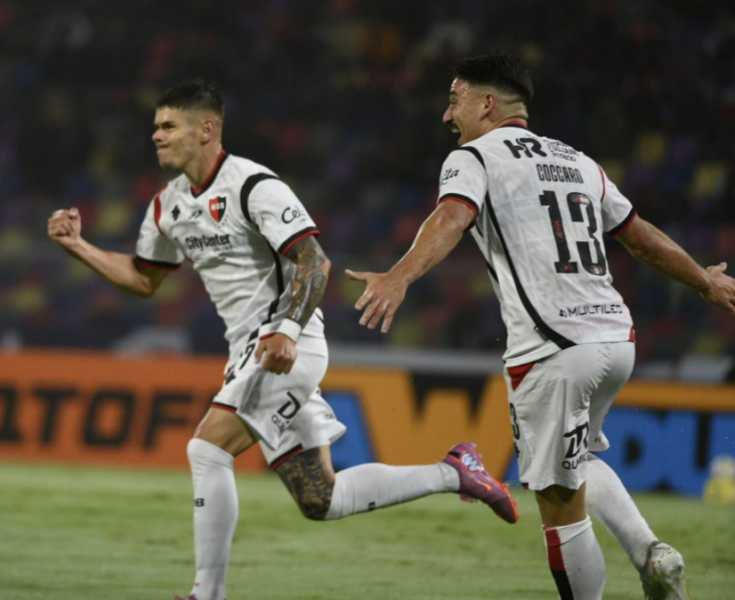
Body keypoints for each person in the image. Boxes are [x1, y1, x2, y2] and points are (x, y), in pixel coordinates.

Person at [48, 78, 518, 600]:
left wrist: (285, 328)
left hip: (287, 346)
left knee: (206, 450)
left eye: (168, 126)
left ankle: (208, 594)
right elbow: (143, 277)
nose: (156, 136)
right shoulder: (167, 207)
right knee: (321, 498)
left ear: (206, 129)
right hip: (250, 353)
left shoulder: (253, 185)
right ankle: (455, 472)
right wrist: (80, 247)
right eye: (155, 126)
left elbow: (314, 261)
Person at [347, 52, 735, 600]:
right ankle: (652, 553)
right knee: (577, 460)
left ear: (487, 103)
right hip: (615, 339)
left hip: (553, 349)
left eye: (454, 99)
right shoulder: (579, 161)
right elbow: (641, 236)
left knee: (557, 501)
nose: (446, 115)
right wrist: (704, 282)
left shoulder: (474, 157)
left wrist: (398, 276)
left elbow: (452, 217)